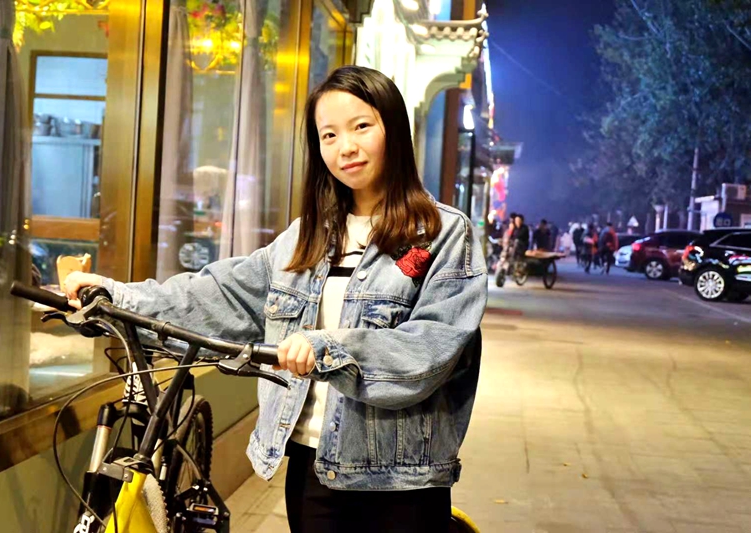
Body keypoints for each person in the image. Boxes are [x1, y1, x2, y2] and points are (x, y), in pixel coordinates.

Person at [64, 66, 487, 533]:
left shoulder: (445, 235)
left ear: (394, 130)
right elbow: (218, 294)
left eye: (361, 126)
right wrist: (114, 295)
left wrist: (327, 347)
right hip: (310, 466)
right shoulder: (305, 238)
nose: (345, 147)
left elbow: (429, 348)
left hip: (400, 480)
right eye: (329, 135)